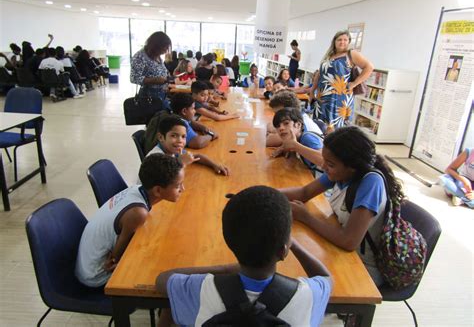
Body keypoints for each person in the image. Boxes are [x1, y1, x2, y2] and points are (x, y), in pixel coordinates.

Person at [156, 185, 332, 326]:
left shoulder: (202, 289)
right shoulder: (306, 295)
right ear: (282, 250)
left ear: (228, 242)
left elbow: (163, 279)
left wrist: (225, 269)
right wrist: (294, 245)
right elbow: (326, 278)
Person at [281, 126, 404, 287]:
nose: (323, 167)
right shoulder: (342, 172)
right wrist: (261, 193)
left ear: (352, 166)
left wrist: (306, 217)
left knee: (292, 275)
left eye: (330, 164)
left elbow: (349, 241)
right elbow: (304, 192)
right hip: (340, 248)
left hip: (362, 266)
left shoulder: (370, 183)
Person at [75, 154, 185, 287]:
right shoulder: (138, 213)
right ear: (157, 190)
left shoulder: (136, 189)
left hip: (87, 262)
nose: (182, 189)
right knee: (165, 263)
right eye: (178, 186)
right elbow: (117, 256)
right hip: (96, 274)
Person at [311, 30, 373, 128]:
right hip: (322, 96)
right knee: (319, 125)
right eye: (339, 39)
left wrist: (354, 83)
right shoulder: (329, 55)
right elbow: (320, 73)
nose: (342, 42)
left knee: (334, 127)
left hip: (339, 97)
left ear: (349, 42)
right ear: (334, 42)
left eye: (345, 40)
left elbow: (369, 67)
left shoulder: (351, 54)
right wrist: (312, 90)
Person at [147, 114, 229, 176]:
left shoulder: (171, 149)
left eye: (183, 137)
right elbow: (168, 181)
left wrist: (215, 165)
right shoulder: (156, 157)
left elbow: (197, 156)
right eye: (173, 135)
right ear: (161, 137)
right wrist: (182, 163)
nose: (180, 141)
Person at [130, 31, 172, 104]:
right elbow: (134, 78)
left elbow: (159, 71)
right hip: (149, 96)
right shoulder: (140, 57)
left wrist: (167, 76)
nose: (165, 51)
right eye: (164, 48)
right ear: (157, 46)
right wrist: (155, 80)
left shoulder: (156, 55)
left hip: (161, 94)